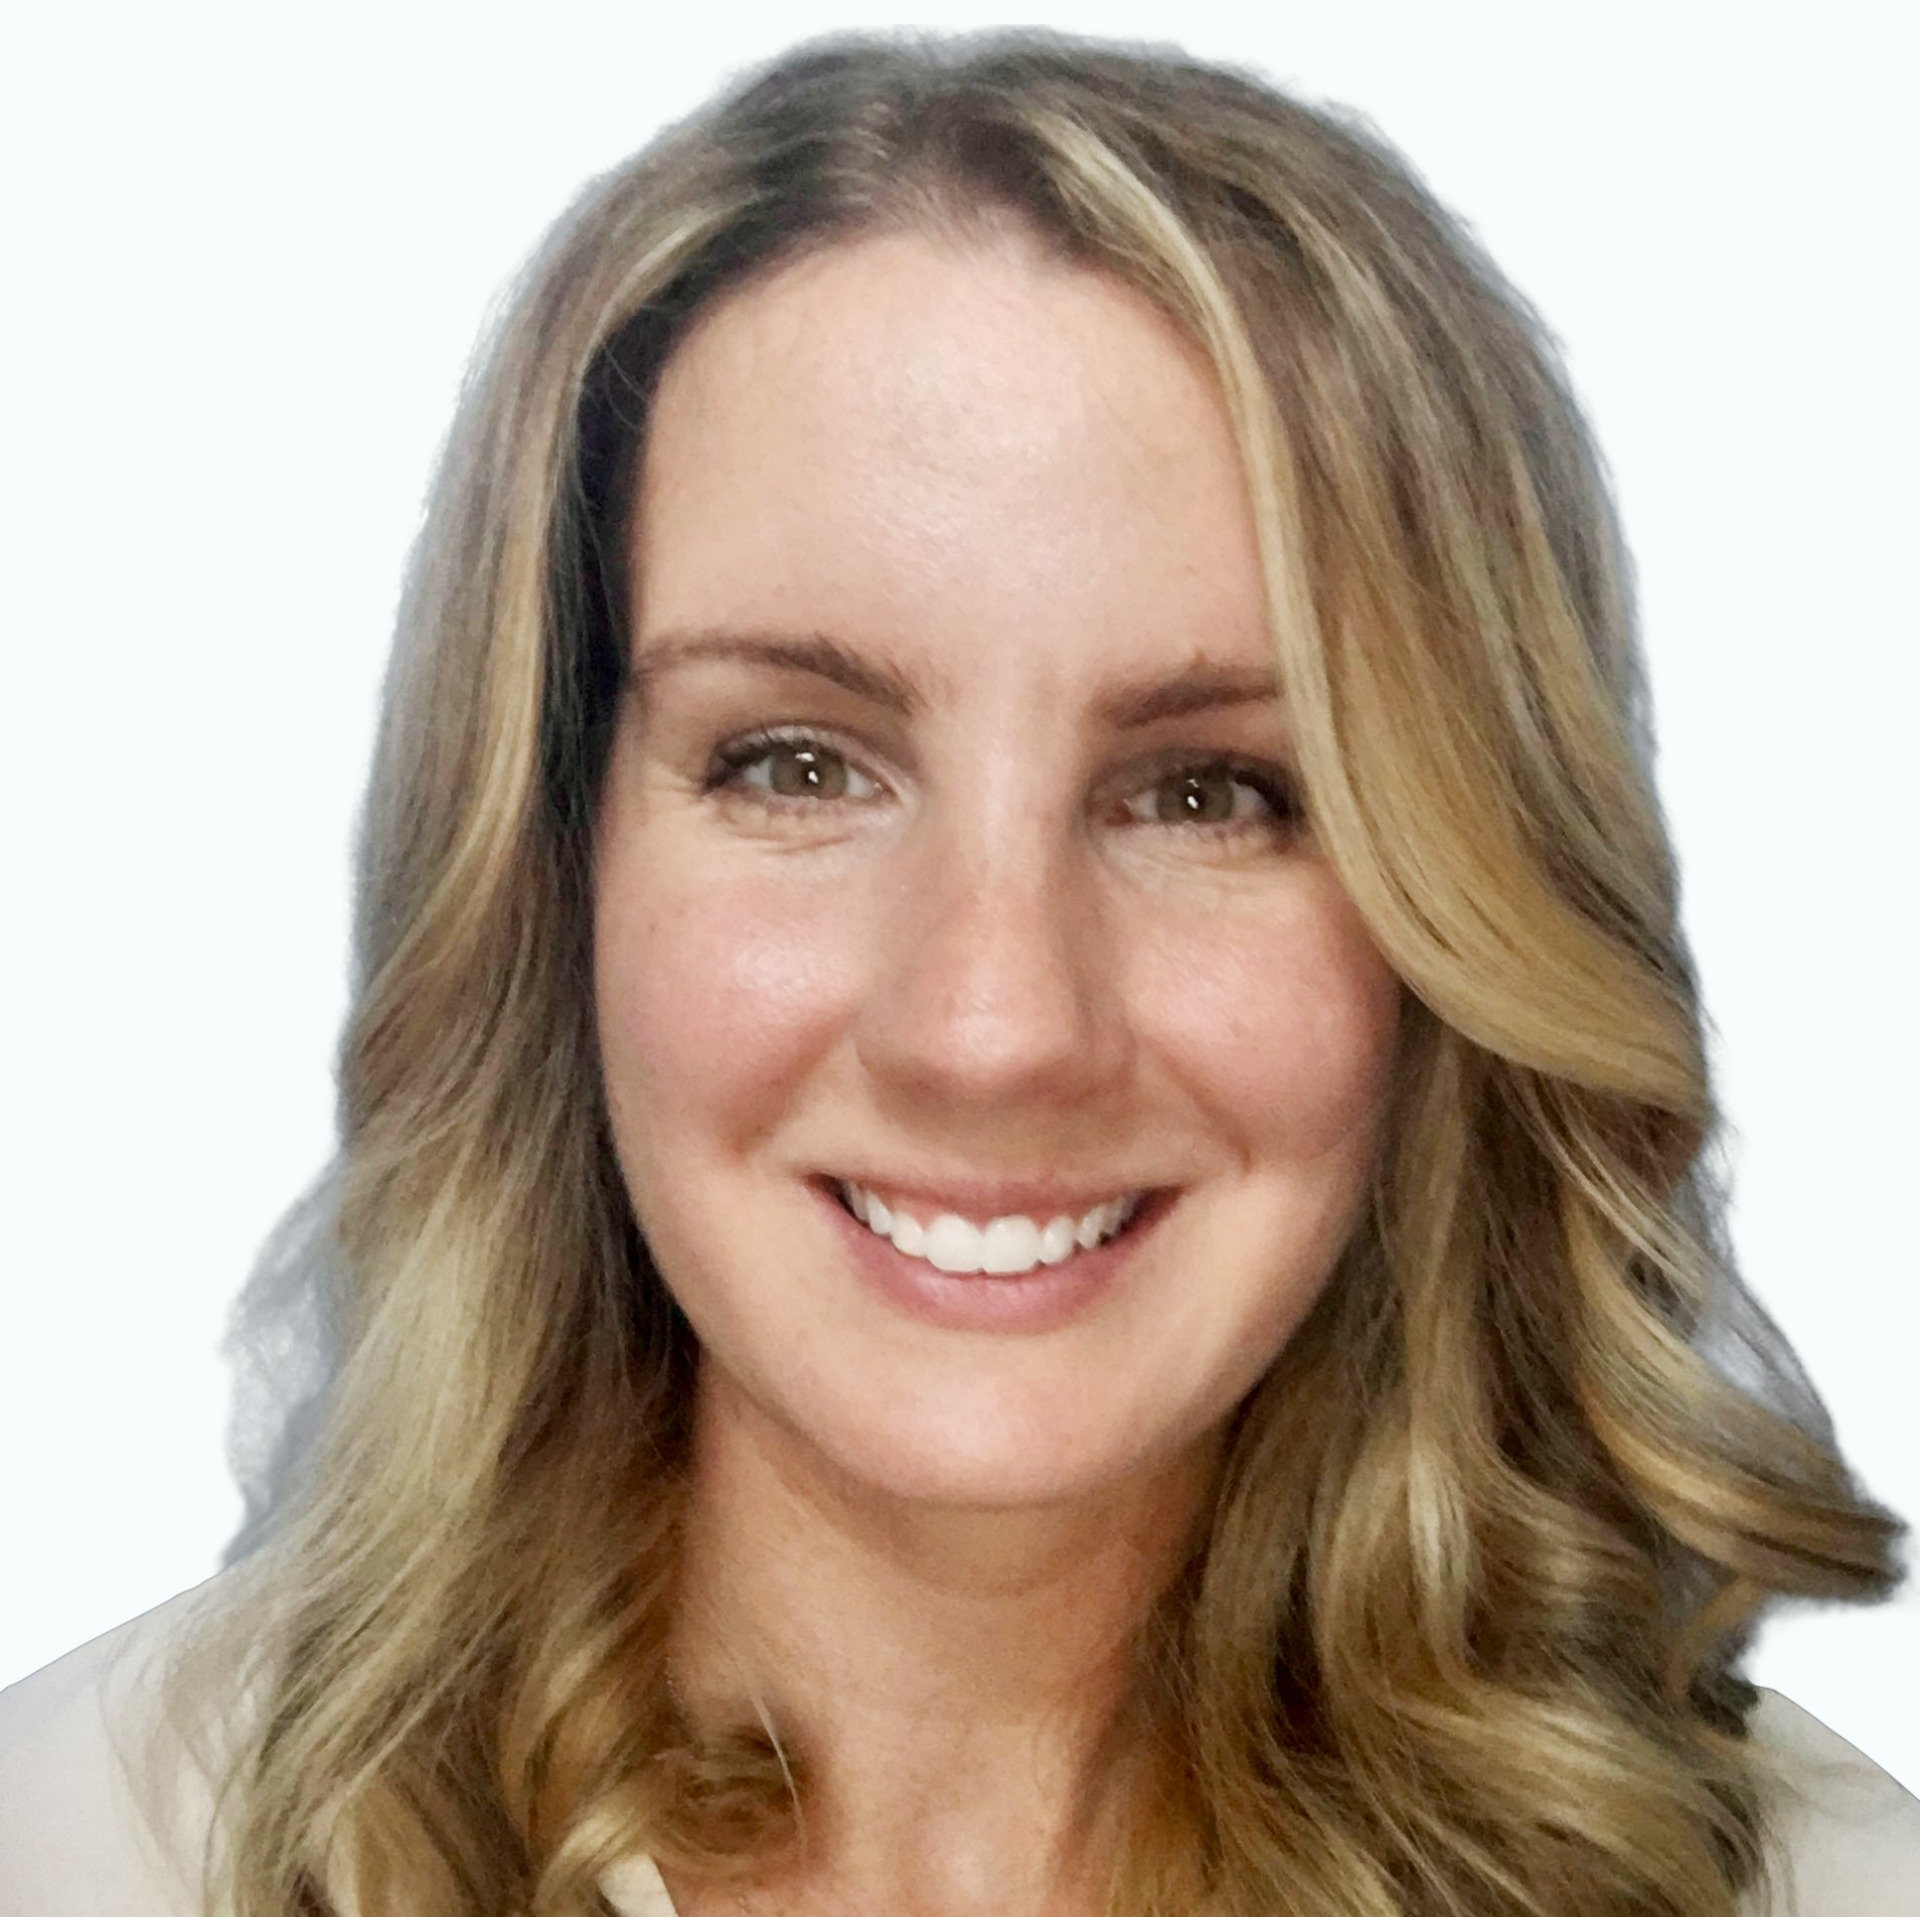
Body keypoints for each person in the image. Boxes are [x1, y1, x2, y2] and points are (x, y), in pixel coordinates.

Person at [1, 28, 1914, 1917]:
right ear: (552, 872)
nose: (992, 1028)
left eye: (1212, 792)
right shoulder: (84, 1853)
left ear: (1462, 914)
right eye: (796, 763)